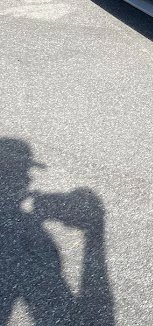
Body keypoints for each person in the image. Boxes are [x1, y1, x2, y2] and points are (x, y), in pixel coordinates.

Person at [0, 138, 114, 325]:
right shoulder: (21, 238)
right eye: (20, 174)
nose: (29, 180)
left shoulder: (22, 233)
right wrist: (94, 235)